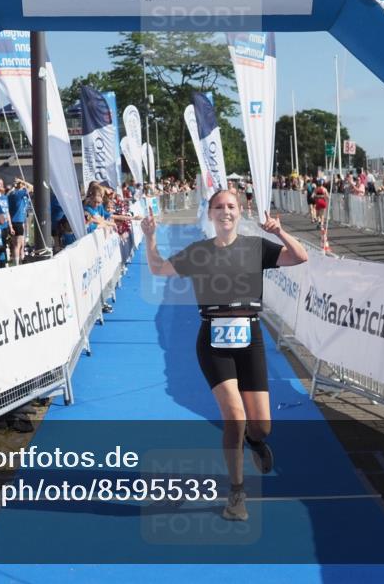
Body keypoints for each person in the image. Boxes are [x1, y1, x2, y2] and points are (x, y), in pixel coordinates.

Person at [141, 188, 308, 522]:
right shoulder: (199, 252)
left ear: (239, 210)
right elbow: (159, 269)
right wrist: (150, 237)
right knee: (234, 416)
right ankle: (236, 494)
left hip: (251, 339)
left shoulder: (255, 247)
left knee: (261, 425)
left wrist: (279, 232)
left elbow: (300, 257)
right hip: (214, 342)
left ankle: (255, 440)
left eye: (231, 206)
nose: (226, 212)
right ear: (211, 213)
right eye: (219, 207)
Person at [7, 179, 33, 265]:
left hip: (15, 221)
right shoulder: (18, 193)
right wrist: (22, 181)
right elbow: (32, 187)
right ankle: (17, 264)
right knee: (17, 245)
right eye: (22, 184)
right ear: (20, 185)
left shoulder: (12, 194)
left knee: (20, 244)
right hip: (17, 221)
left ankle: (20, 260)